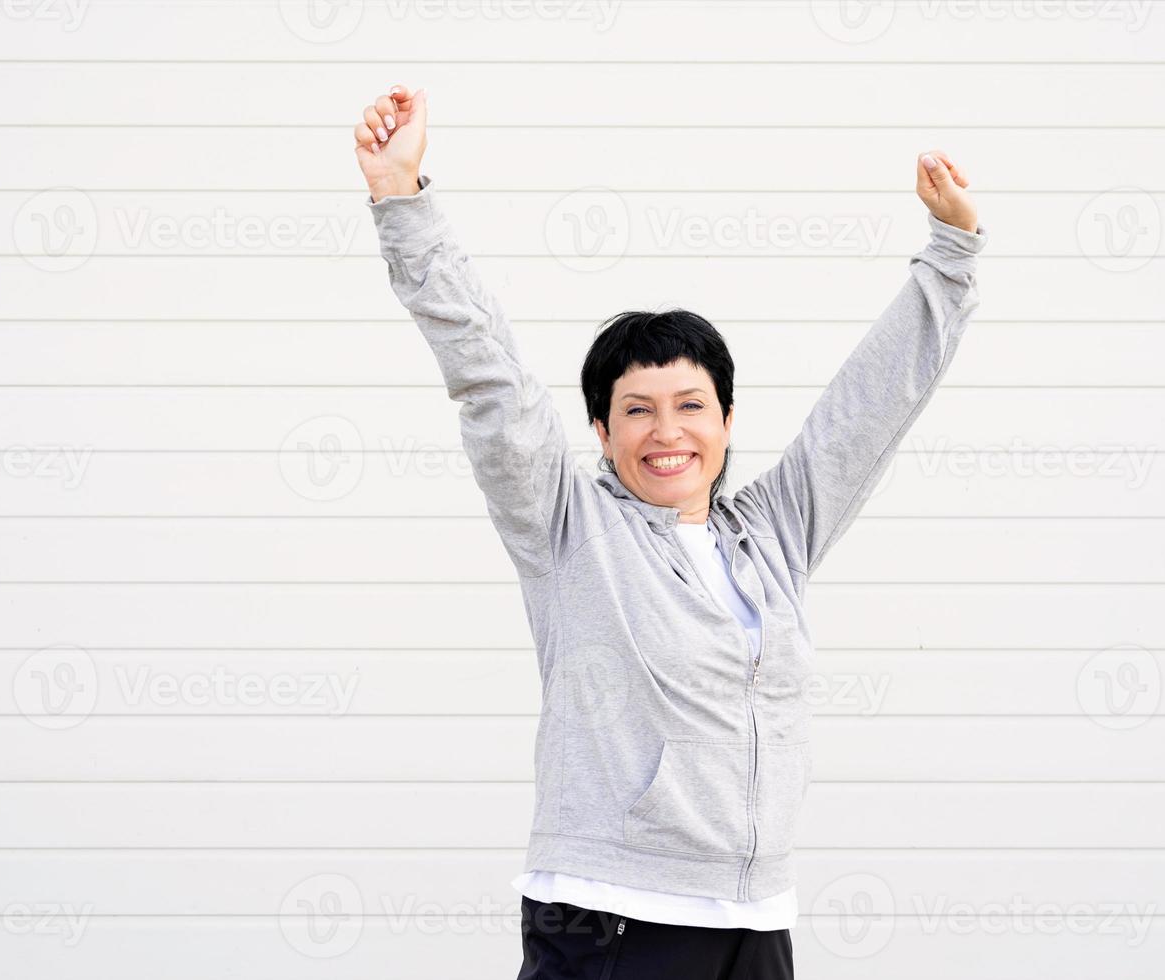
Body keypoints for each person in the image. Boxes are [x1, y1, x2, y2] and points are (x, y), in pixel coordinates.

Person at [354, 84, 987, 980]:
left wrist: (950, 255)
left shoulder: (771, 531)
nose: (667, 431)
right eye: (636, 411)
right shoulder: (565, 526)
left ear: (726, 420)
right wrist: (402, 200)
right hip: (614, 917)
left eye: (691, 405)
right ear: (601, 434)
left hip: (754, 918)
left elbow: (869, 410)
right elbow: (487, 376)